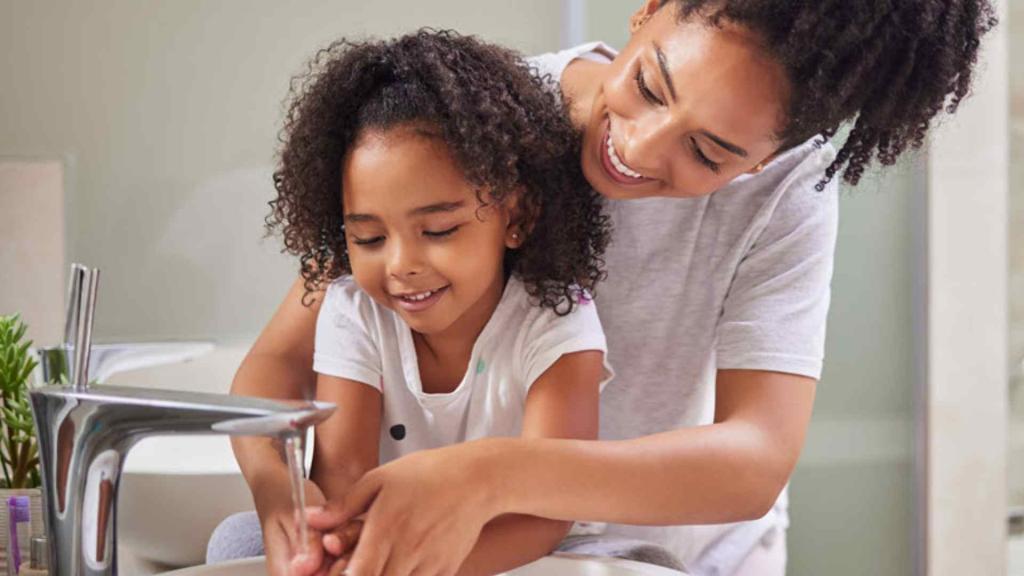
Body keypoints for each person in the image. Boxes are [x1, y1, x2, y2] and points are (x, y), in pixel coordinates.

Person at [223, 1, 997, 575]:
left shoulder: (786, 195)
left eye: (709, 152)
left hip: (672, 557)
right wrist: (278, 494)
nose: (637, 147)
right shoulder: (477, 123)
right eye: (651, 86)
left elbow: (756, 459)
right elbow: (276, 365)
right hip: (491, 546)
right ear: (648, 11)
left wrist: (488, 475)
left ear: (766, 159)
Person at [217, 30, 615, 575]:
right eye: (370, 239)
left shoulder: (557, 322)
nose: (401, 264)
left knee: (636, 561)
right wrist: (332, 546)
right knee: (235, 541)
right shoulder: (355, 311)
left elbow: (547, 516)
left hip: (524, 551)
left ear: (516, 217)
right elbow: (343, 480)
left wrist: (430, 566)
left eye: (438, 229)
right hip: (395, 544)